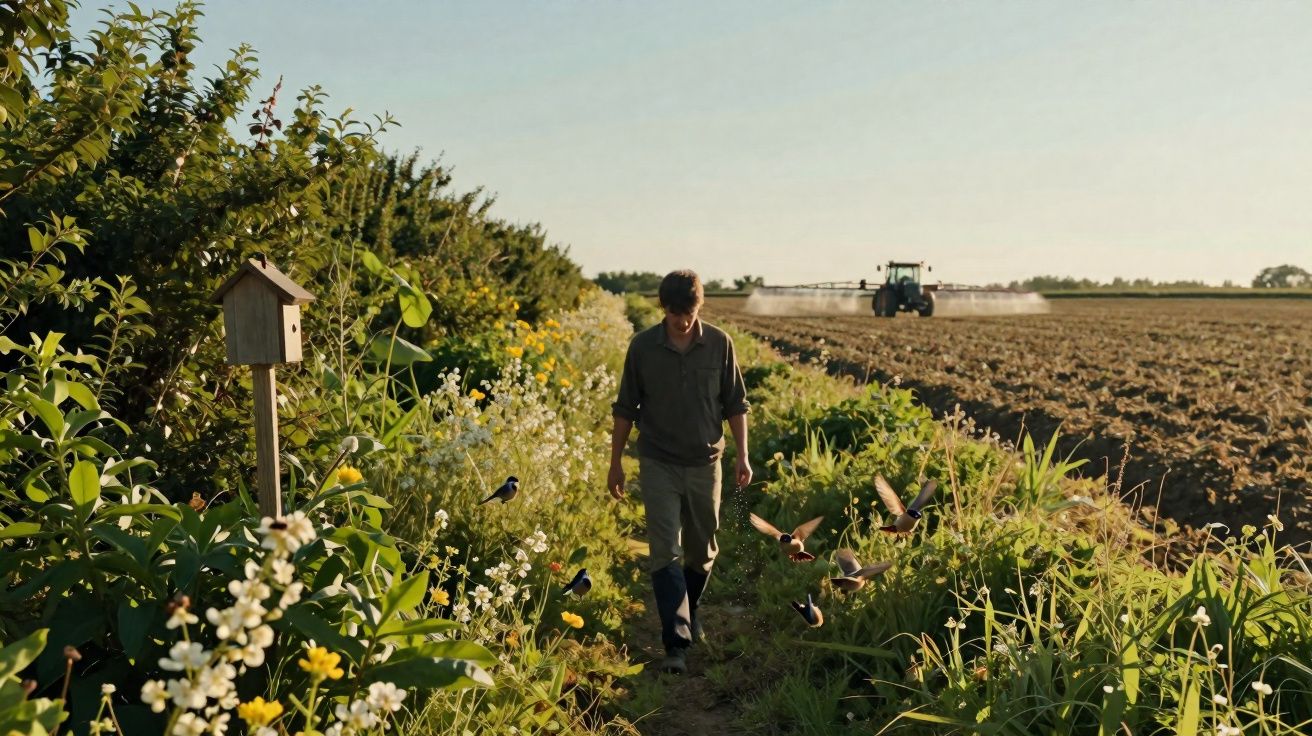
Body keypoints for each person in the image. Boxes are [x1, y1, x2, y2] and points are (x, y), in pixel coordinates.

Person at [608, 269, 751, 675]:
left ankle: (689, 610)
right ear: (663, 308)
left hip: (706, 463)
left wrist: (743, 455)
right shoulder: (643, 347)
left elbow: (735, 403)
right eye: (675, 314)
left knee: (702, 550)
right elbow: (625, 408)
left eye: (689, 313)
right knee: (665, 549)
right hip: (658, 461)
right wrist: (615, 462)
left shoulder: (720, 344)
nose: (683, 322)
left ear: (698, 307)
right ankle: (676, 643)